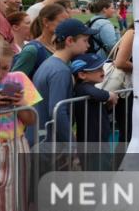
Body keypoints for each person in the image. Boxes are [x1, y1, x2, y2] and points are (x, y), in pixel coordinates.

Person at [0, 38, 41, 211]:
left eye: (5, 67)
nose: (3, 74)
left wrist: (20, 103)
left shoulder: (17, 79)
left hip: (14, 149)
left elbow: (31, 118)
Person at [32, 18, 96, 146]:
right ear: (69, 41)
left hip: (40, 138)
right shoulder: (61, 71)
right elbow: (57, 111)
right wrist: (71, 144)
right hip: (47, 142)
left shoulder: (50, 63)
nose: (88, 45)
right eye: (85, 40)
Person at [70, 53, 118, 163]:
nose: (102, 71)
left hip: (99, 140)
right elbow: (98, 94)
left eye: (102, 68)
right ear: (82, 75)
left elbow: (99, 110)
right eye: (97, 69)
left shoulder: (91, 88)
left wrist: (109, 106)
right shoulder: (82, 88)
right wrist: (109, 95)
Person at [11, 3, 70, 79]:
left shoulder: (62, 46)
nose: (66, 26)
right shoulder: (32, 50)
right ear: (46, 22)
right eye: (62, 22)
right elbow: (13, 82)